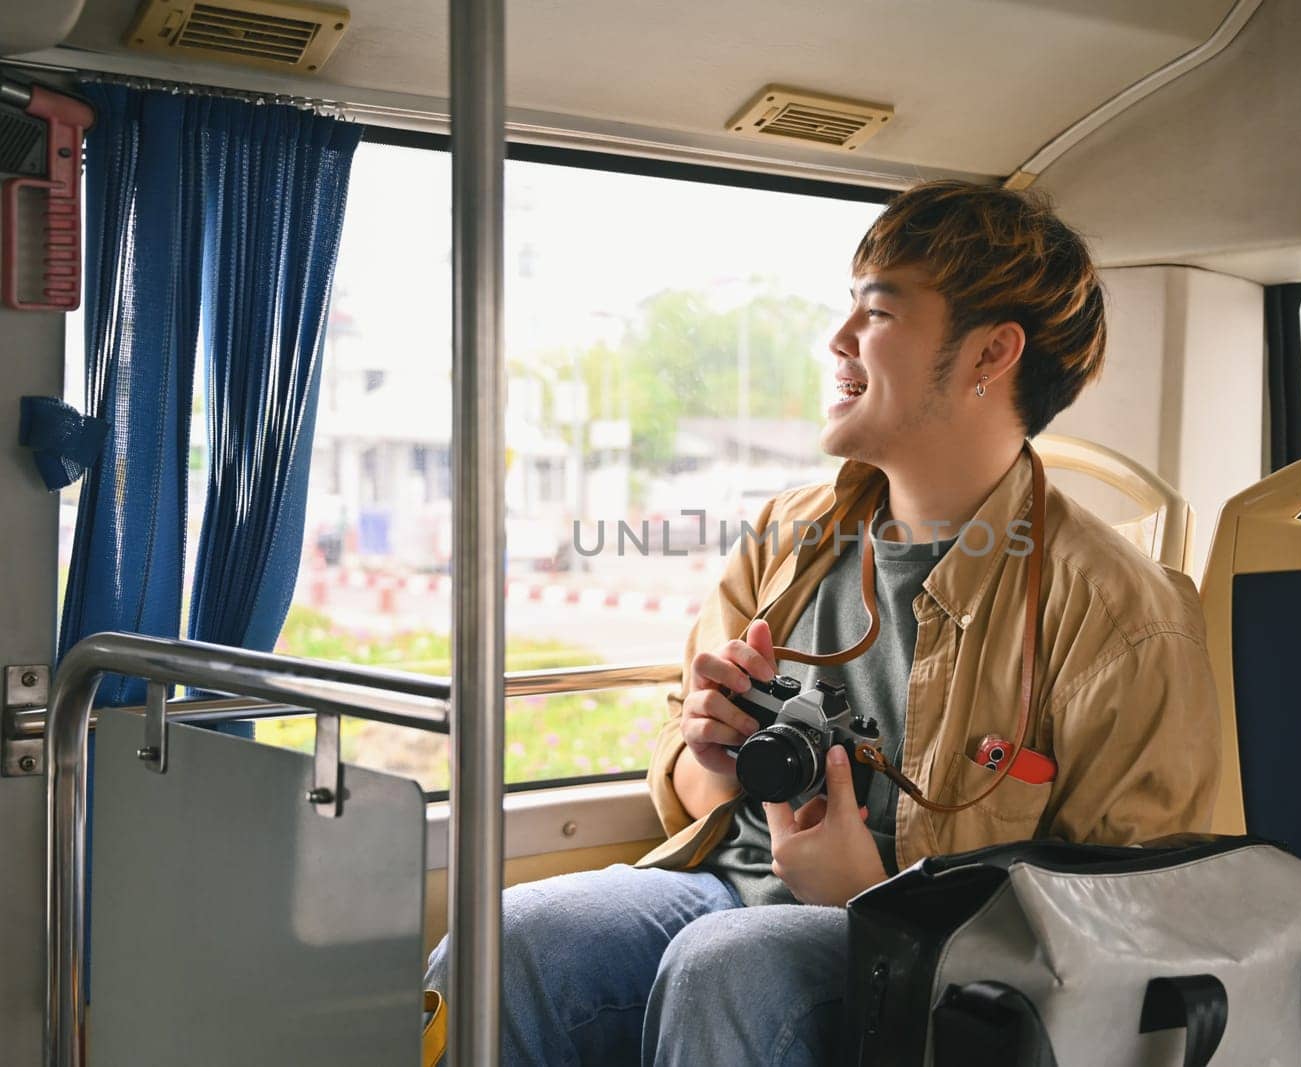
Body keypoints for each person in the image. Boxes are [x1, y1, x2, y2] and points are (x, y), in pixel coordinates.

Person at [423, 179, 1221, 1066]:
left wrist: (873, 897)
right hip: (729, 887)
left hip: (934, 971)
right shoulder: (784, 535)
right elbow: (681, 753)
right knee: (499, 943)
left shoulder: (1123, 620)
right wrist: (715, 756)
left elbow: (1139, 926)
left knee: (727, 968)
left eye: (876, 312)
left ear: (991, 353)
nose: (837, 340)